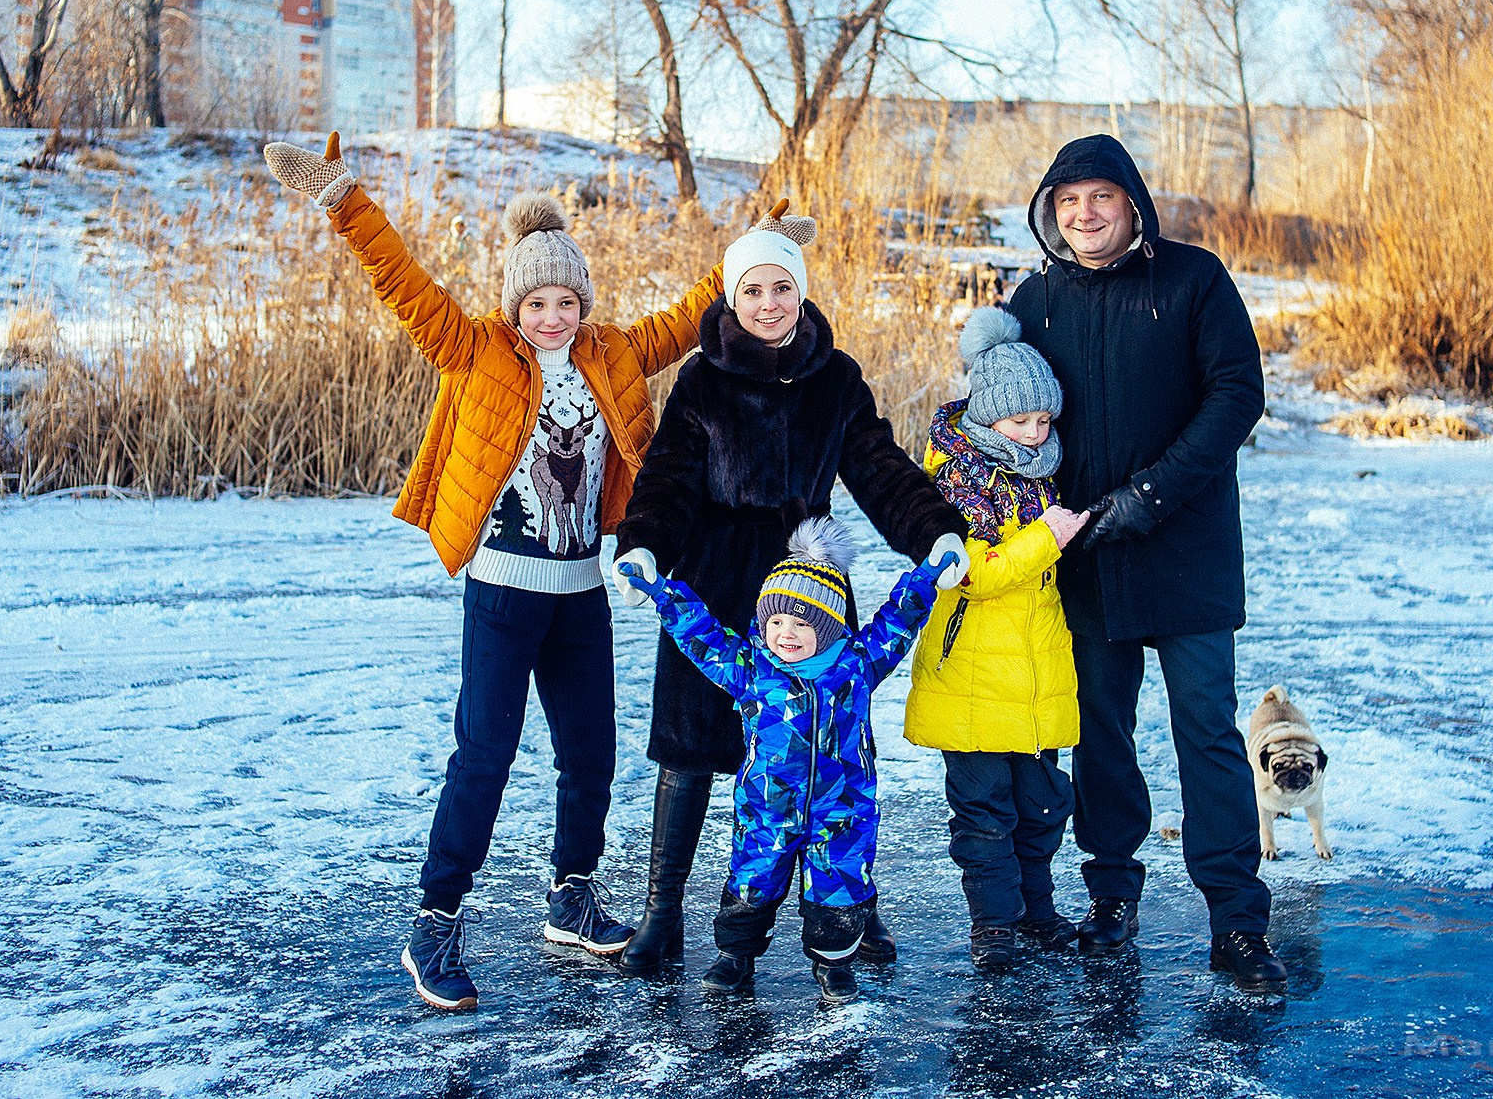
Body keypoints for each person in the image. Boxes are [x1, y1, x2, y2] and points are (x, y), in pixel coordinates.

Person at [260, 134, 737, 1012]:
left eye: (566, 300)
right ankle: (435, 919)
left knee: (589, 754)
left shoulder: (612, 352)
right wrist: (342, 198)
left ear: (583, 301)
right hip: (503, 592)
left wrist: (756, 250)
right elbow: (400, 280)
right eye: (537, 301)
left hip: (580, 592)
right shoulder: (474, 347)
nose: (552, 316)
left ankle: (572, 894)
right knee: (485, 755)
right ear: (513, 302)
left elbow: (696, 309)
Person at [612, 209, 969, 976]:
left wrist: (932, 530)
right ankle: (662, 913)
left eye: (782, 287)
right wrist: (644, 544)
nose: (768, 302)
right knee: (690, 742)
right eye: (753, 289)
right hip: (713, 572)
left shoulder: (833, 378)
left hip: (804, 591)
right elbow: (669, 474)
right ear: (731, 299)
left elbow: (877, 464)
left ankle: (851, 908)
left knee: (828, 752)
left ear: (801, 295)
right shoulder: (703, 378)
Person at [1003, 133, 1286, 990]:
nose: (1083, 214)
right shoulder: (1036, 300)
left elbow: (1238, 392)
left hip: (1188, 550)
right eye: (1067, 201)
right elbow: (997, 410)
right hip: (1088, 556)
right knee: (1101, 735)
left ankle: (1237, 919)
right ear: (1053, 213)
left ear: (1131, 202)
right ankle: (1112, 896)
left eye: (1100, 197)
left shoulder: (1194, 280)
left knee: (1206, 732)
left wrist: (1152, 495)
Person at [617, 516, 958, 1003]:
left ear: (829, 627)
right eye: (775, 621)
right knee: (751, 884)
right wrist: (659, 591)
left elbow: (897, 621)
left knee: (837, 891)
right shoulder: (752, 669)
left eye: (802, 623)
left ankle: (834, 963)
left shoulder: (855, 666)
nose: (786, 633)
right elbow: (704, 636)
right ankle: (736, 956)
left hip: (841, 811)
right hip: (767, 810)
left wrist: (926, 576)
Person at [904, 307, 1087, 971]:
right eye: (1021, 422)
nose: (1036, 434)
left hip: (1035, 673)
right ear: (987, 418)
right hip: (974, 675)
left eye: (1044, 421)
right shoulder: (957, 477)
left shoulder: (1043, 474)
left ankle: (1036, 909)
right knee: (984, 813)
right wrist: (1047, 539)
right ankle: (995, 925)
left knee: (1042, 807)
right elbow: (971, 575)